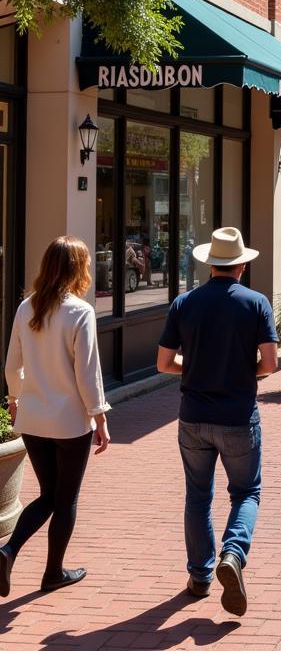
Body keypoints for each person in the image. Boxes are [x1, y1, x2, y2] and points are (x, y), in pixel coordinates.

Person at [156, 227, 278, 615]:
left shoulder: (184, 303)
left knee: (198, 496)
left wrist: (192, 371)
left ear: (210, 263)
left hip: (193, 416)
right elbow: (271, 363)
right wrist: (244, 373)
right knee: (246, 493)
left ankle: (199, 575)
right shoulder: (256, 303)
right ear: (242, 264)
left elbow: (163, 363)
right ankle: (233, 553)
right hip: (239, 415)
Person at [0, 237, 111, 598]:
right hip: (68, 422)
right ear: (78, 268)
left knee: (49, 494)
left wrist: (15, 398)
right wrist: (100, 419)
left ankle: (8, 552)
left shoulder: (25, 308)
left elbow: (12, 365)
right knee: (65, 499)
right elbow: (88, 374)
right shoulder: (80, 312)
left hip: (33, 418)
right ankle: (52, 572)